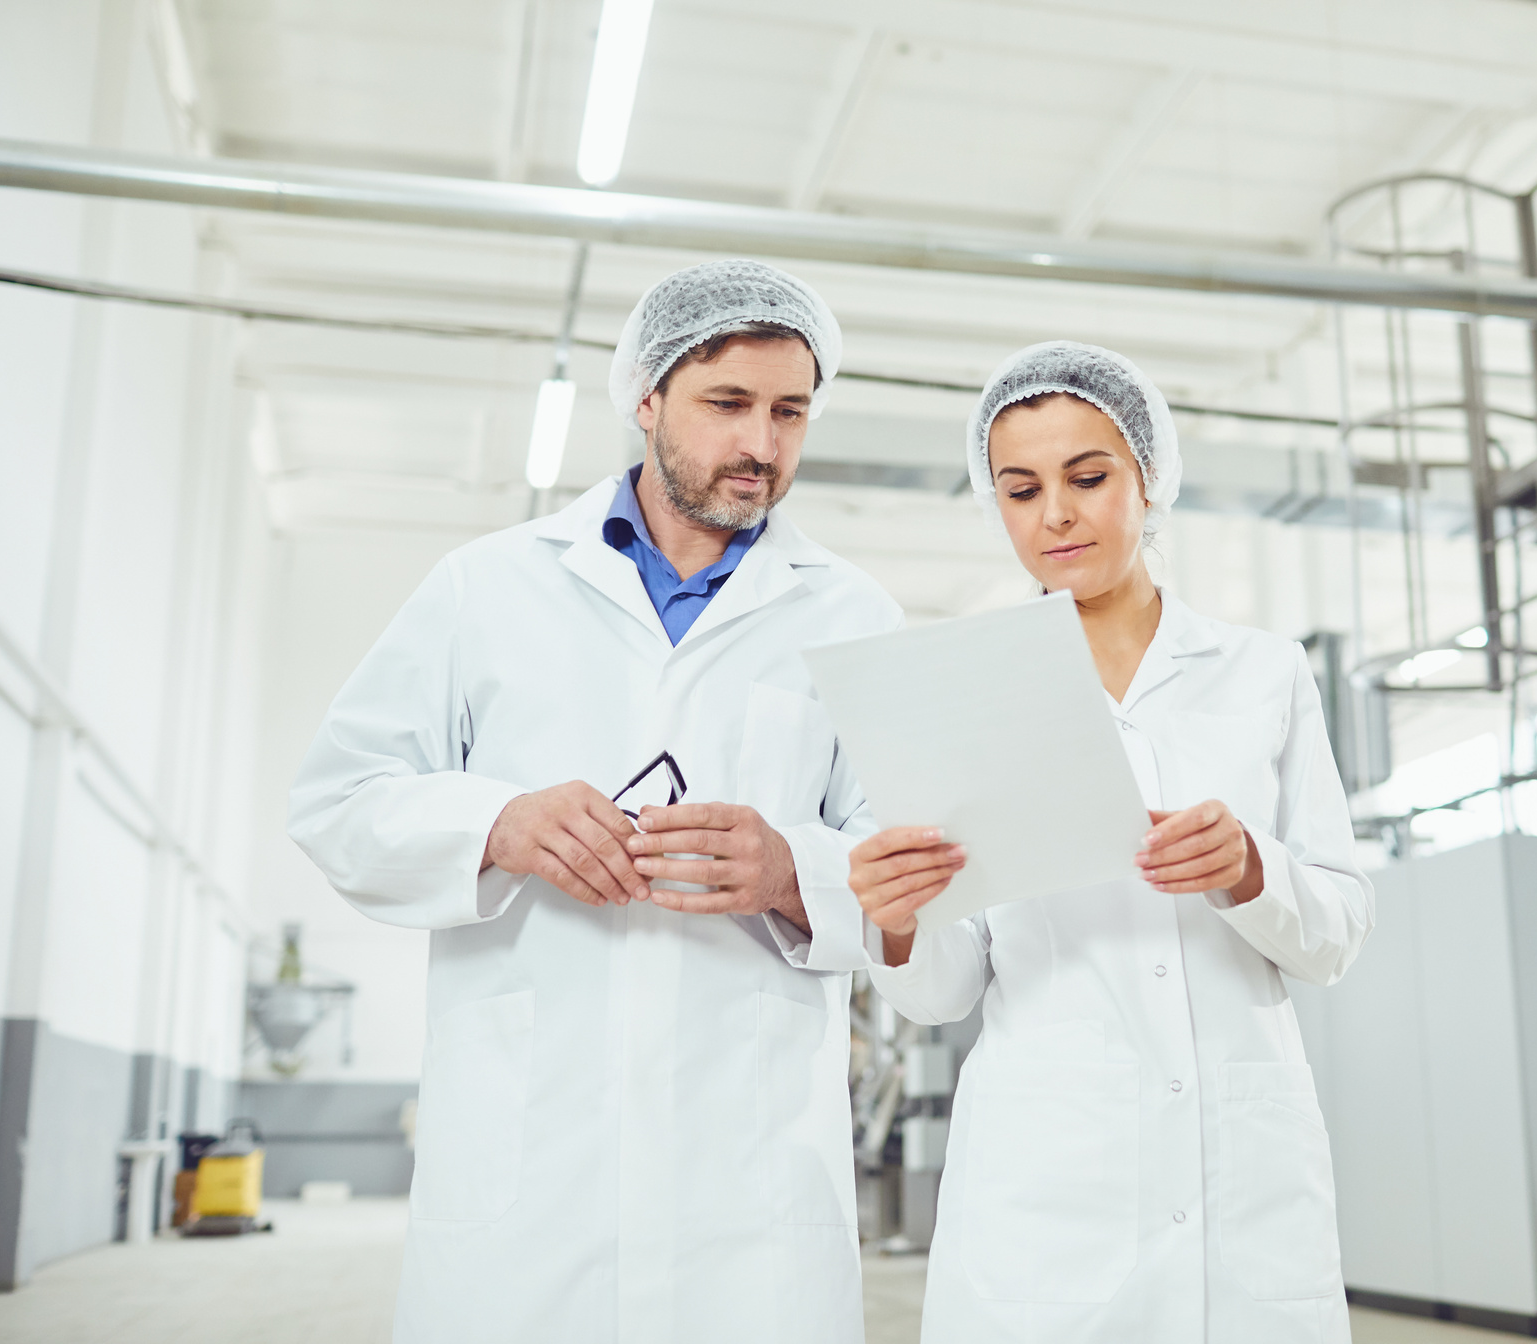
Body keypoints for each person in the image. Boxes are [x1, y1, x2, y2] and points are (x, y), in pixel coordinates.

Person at [288, 260, 899, 1344]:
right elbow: (340, 801)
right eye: (728, 404)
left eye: (789, 411)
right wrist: (494, 823)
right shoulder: (488, 587)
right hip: (531, 1169)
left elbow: (914, 871)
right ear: (647, 398)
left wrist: (788, 871)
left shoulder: (854, 616)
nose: (762, 443)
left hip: (750, 1180)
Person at [847, 341, 1375, 1342]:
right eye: (1020, 489)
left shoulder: (1262, 675)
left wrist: (1253, 871)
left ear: (1149, 477)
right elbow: (948, 987)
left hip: (1238, 1157)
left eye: (1088, 477)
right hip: (1050, 1175)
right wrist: (901, 920)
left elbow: (1338, 933)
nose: (1055, 513)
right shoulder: (964, 693)